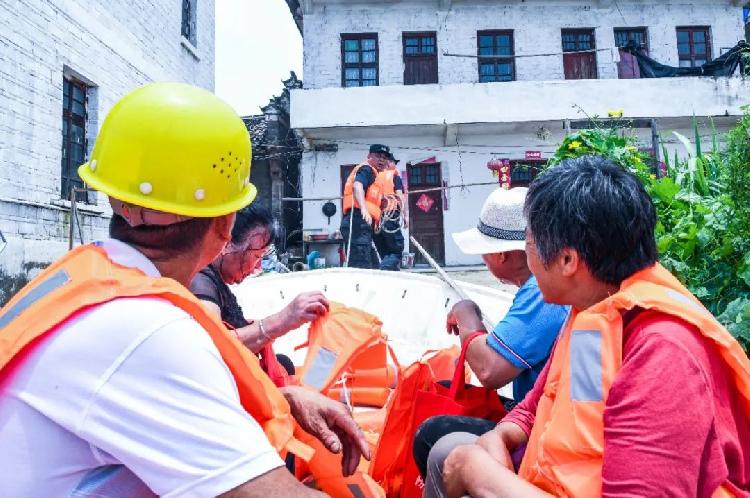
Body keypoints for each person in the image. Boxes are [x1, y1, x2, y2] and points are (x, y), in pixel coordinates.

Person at [0, 82, 368, 497]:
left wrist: (281, 399)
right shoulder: (147, 329)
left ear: (115, 198)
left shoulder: (89, 276)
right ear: (225, 226)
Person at [439, 155, 750, 497]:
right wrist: (501, 434)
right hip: (559, 478)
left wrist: (476, 471)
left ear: (568, 260)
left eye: (528, 242)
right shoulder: (594, 315)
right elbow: (553, 405)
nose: (526, 254)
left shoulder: (662, 355)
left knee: (455, 456)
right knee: (448, 450)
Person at [412, 187, 569, 494]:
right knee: (442, 394)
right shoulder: (537, 287)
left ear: (502, 254)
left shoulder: (541, 293)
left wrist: (466, 313)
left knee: (432, 434)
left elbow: (490, 371)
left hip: (543, 425)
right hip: (533, 410)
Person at [190, 203, 329, 357]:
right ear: (227, 244)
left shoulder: (212, 279)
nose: (259, 268)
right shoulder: (200, 281)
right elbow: (211, 343)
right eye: (257, 256)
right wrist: (283, 319)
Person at [340, 144, 391, 269]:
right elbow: (357, 186)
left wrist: (382, 202)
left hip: (363, 225)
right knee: (361, 265)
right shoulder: (366, 169)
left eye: (384, 158)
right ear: (369, 156)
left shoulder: (375, 176)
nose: (381, 160)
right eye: (378, 156)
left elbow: (370, 197)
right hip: (356, 220)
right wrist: (364, 209)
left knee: (373, 265)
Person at [372, 152, 407, 271]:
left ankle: (390, 273)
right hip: (390, 215)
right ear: (388, 163)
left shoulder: (375, 177)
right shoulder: (394, 177)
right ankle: (382, 269)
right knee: (397, 249)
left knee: (385, 252)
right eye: (394, 162)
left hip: (376, 220)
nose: (395, 166)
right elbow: (400, 196)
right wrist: (405, 215)